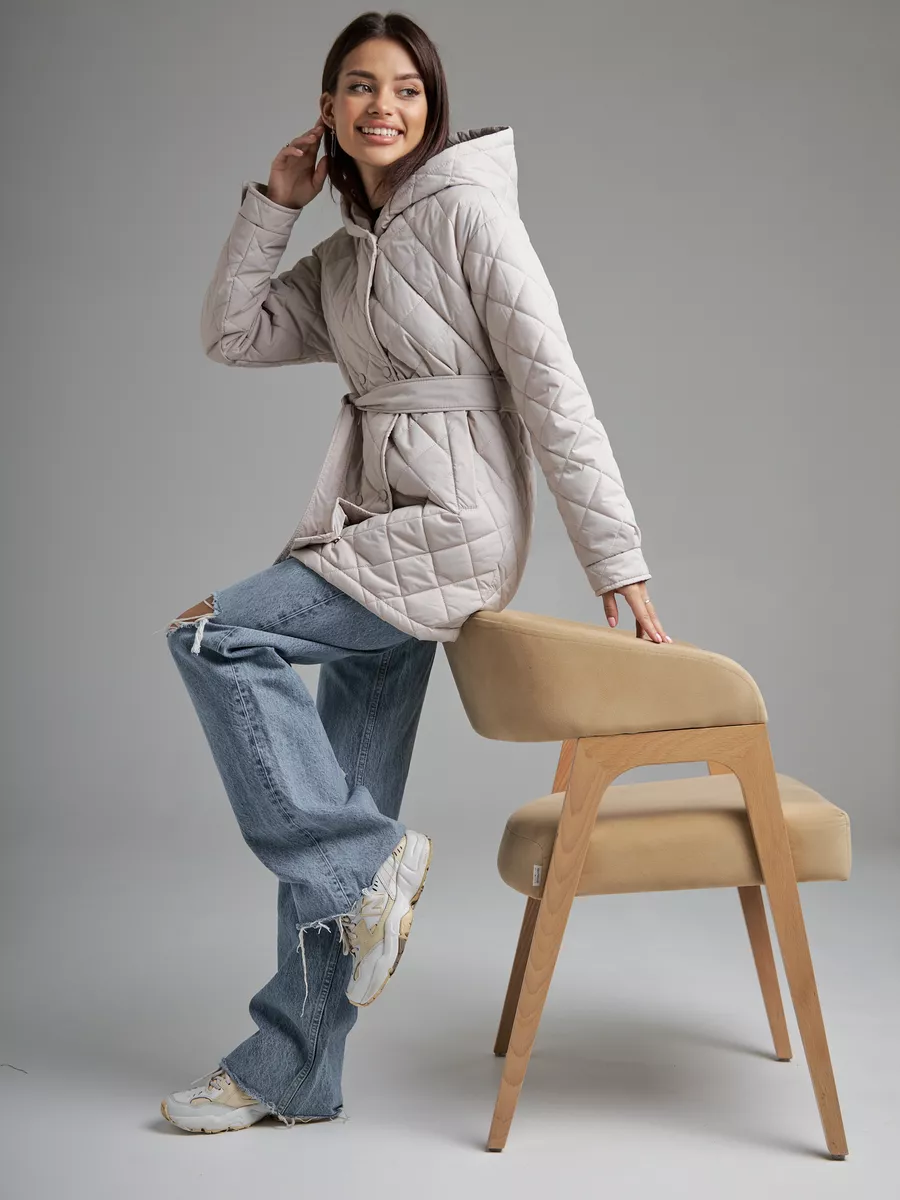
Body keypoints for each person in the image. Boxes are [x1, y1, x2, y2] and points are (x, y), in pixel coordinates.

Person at [159, 10, 671, 1134]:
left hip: (448, 530)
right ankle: (297, 1068)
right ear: (329, 110)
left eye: (405, 88)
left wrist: (617, 563)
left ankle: (364, 863)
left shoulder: (471, 214)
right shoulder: (347, 255)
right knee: (342, 782)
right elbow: (232, 333)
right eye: (360, 86)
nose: (382, 105)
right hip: (372, 522)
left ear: (432, 108)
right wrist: (277, 205)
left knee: (213, 633)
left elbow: (555, 391)